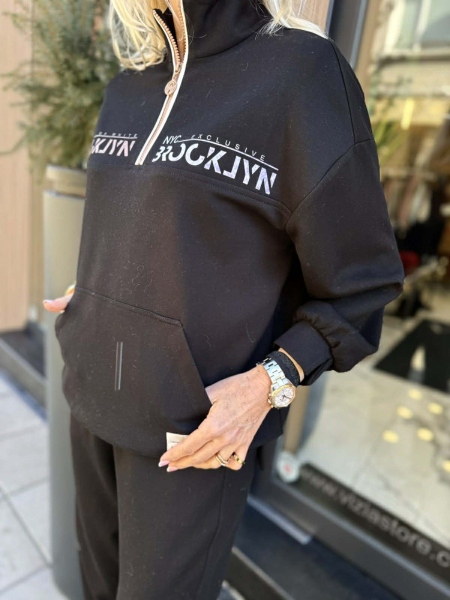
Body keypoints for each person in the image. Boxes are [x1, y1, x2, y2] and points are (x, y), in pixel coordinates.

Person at [43, 1, 405, 598]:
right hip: (91, 404)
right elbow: (163, 236)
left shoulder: (300, 73)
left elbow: (362, 282)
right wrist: (104, 293)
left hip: (194, 436)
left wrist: (269, 383)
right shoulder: (131, 85)